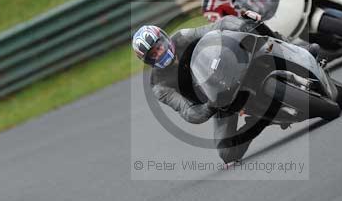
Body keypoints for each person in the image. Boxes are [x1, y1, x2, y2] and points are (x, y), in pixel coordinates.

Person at [132, 16, 321, 163]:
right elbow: (188, 112)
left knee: (252, 25)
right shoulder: (158, 84)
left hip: (228, 66)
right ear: (148, 61)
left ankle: (298, 49)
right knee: (227, 153)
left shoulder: (182, 37)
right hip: (217, 100)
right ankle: (261, 119)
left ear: (164, 38)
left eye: (158, 46)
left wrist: (236, 24)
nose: (160, 52)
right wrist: (210, 106)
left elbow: (214, 28)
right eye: (153, 54)